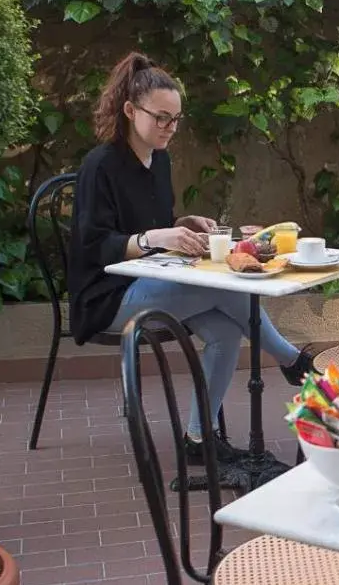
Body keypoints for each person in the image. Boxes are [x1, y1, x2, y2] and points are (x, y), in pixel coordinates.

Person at [68, 52, 314, 467]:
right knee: (221, 281)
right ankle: (292, 360)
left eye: (176, 119)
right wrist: (155, 237)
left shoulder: (159, 160)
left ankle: (198, 439)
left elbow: (154, 223)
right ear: (130, 111)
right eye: (160, 117)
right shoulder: (100, 166)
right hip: (108, 297)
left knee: (224, 332)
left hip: (156, 284)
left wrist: (181, 224)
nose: (169, 128)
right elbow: (94, 245)